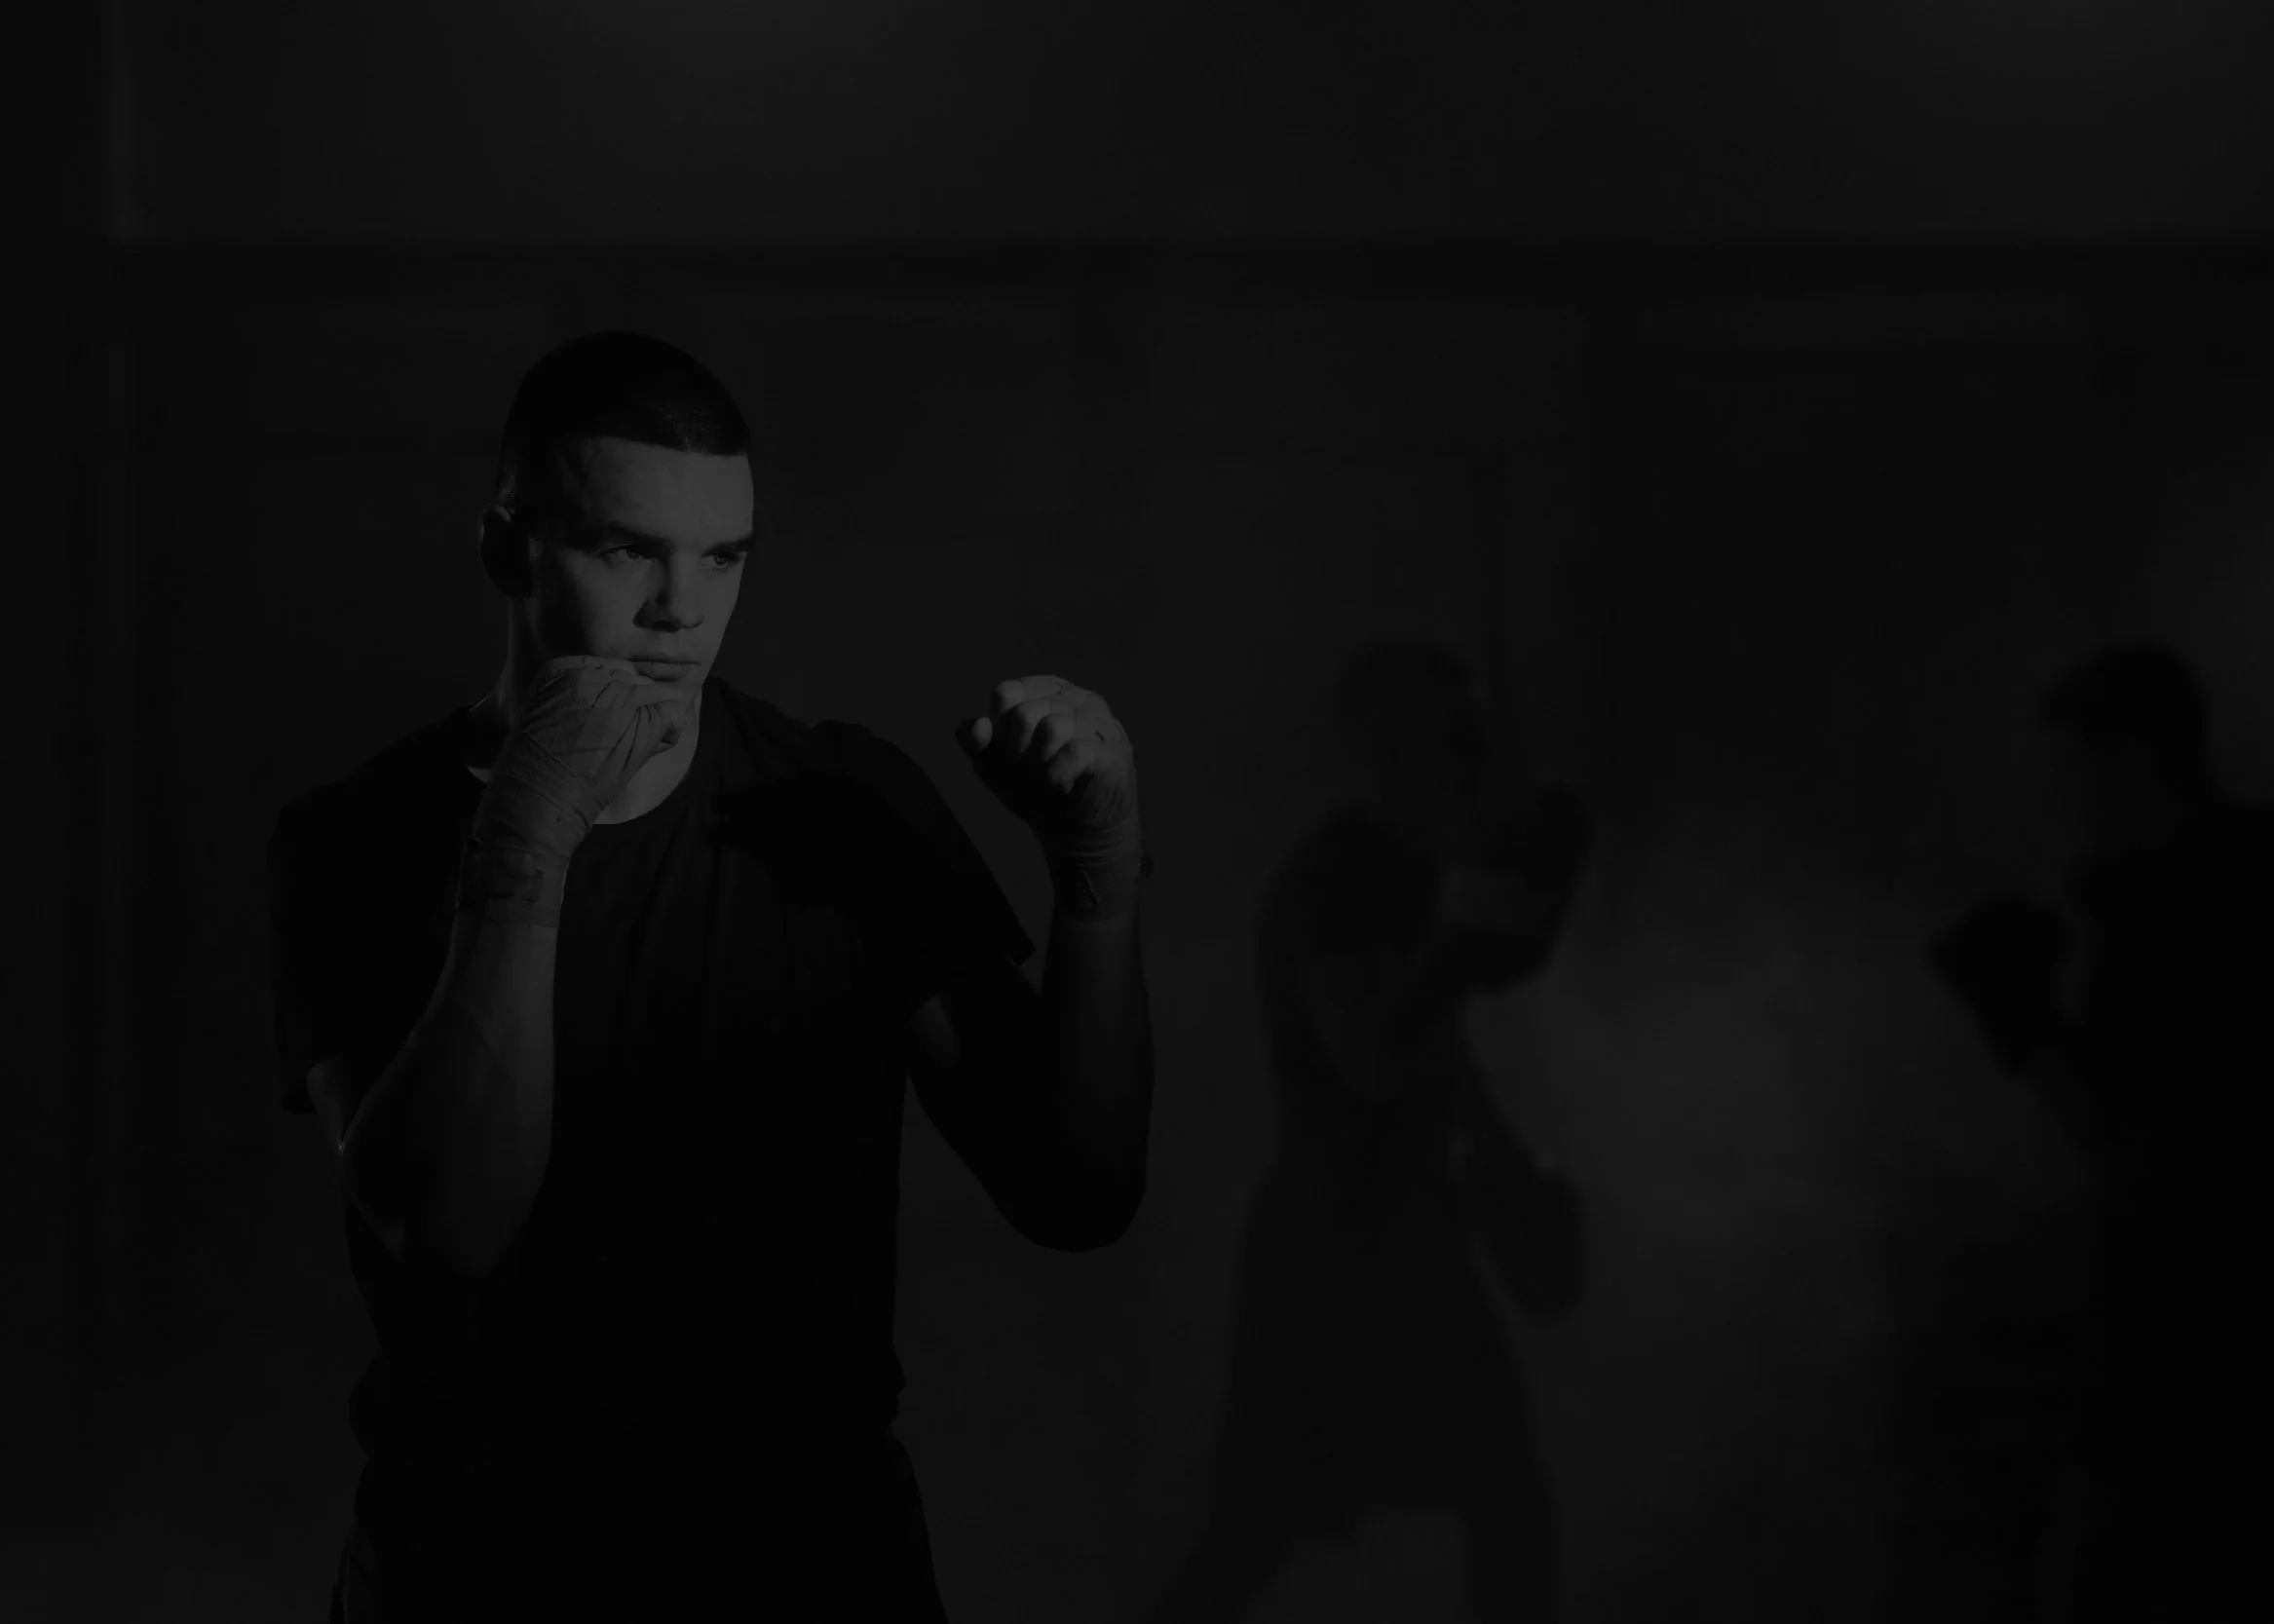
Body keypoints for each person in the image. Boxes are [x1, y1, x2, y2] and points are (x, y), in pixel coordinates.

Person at [264, 331, 1156, 1622]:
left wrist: (1097, 877)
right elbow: (445, 1229)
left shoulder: (835, 801)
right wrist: (528, 833)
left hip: (808, 1561)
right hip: (478, 1569)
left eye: (722, 557)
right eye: (626, 550)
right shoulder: (357, 836)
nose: (681, 610)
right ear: (508, 547)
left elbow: (1076, 1189)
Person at [1930, 640, 2274, 1622]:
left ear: (2125, 758)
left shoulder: (2192, 897)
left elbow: (2139, 1157)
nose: (2058, 808)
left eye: (2068, 778)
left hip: (2202, 1376)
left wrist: (2024, 1024)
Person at [1144, 639, 1588, 1624]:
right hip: (1333, 1253)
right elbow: (1372, 1057)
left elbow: (1435, 1050)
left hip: (1399, 1234)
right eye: (1451, 731)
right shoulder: (1335, 882)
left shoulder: (1406, 873)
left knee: (1505, 1504)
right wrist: (1463, 942)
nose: (1471, 754)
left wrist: (1502, 1154)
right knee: (1253, 1538)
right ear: (1388, 745)